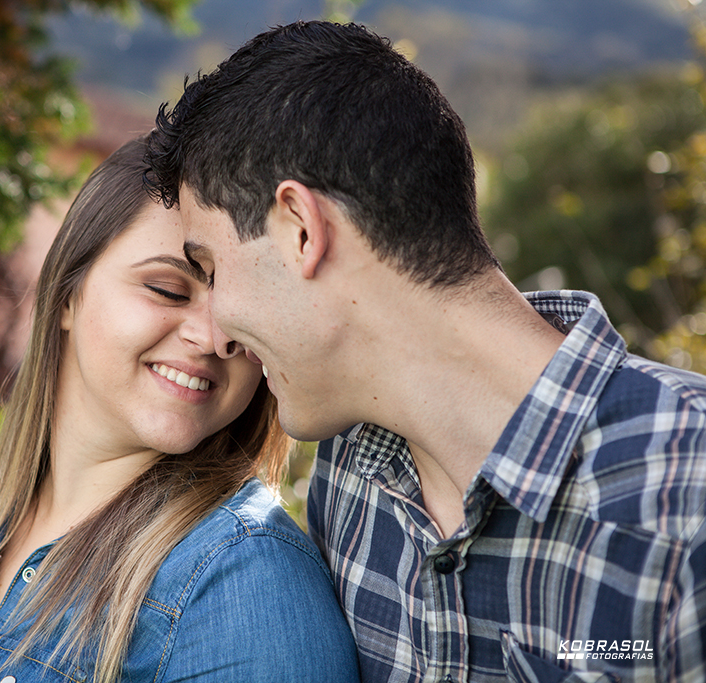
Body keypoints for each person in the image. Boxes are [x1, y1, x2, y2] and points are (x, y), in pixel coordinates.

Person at [144, 20, 706, 683]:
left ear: (301, 230)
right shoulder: (350, 480)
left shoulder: (684, 503)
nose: (217, 335)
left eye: (210, 269)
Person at [0, 137, 359, 683]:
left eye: (244, 309)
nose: (214, 337)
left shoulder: (245, 579)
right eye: (169, 290)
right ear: (66, 296)